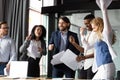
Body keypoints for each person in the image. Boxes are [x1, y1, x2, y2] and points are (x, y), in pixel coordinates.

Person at [89, 0, 117, 79]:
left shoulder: (106, 34)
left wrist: (103, 9)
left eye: (94, 27)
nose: (93, 30)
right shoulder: (98, 37)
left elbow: (106, 21)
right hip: (101, 68)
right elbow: (87, 46)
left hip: (106, 67)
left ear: (99, 25)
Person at [69, 14, 96, 79]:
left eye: (88, 23)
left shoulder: (97, 34)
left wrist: (84, 57)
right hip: (85, 64)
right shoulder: (87, 34)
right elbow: (84, 50)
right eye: (85, 24)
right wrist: (74, 43)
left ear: (93, 22)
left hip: (93, 64)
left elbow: (97, 53)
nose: (86, 26)